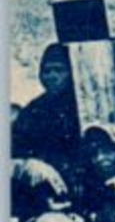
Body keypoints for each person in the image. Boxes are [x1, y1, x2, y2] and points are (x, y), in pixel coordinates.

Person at [12, 44, 81, 180]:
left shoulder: (85, 103)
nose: (52, 76)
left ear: (72, 72)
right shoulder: (33, 110)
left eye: (59, 70)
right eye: (46, 71)